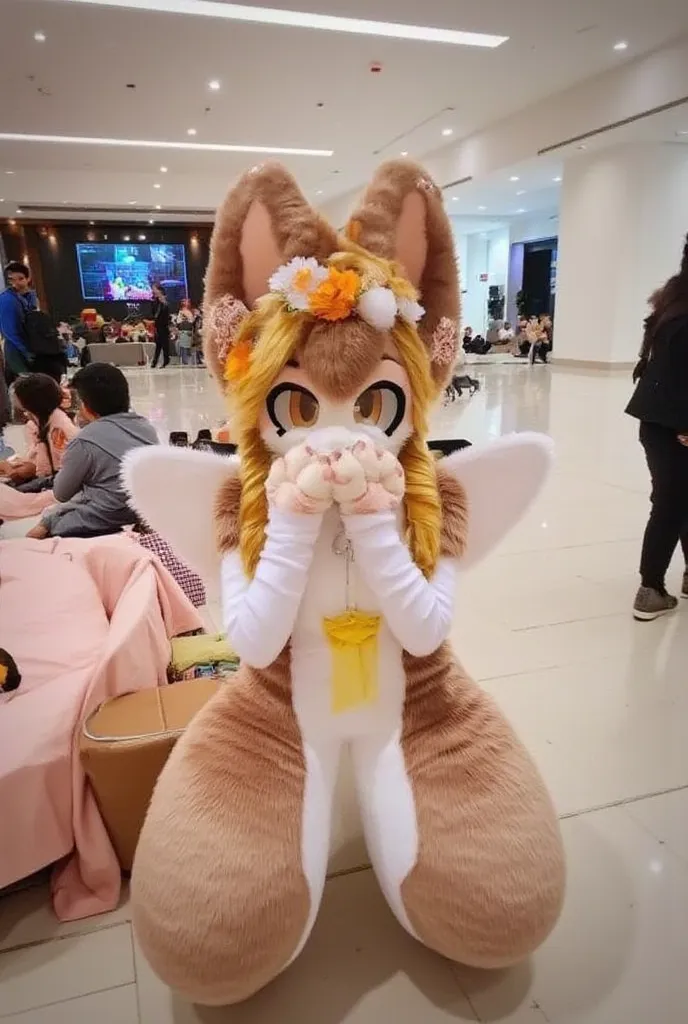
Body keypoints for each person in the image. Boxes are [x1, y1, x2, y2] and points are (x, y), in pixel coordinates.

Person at [626, 234, 688, 620]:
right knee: (671, 503)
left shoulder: (674, 297)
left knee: (676, 500)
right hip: (675, 423)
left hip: (658, 420)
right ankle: (650, 588)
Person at [26, 363, 158, 539]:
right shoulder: (146, 426)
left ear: (86, 406)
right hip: (142, 513)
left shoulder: (84, 441)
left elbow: (61, 493)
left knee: (45, 527)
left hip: (102, 519)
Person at [0, 374, 79, 521]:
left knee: (11, 498)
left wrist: (30, 470)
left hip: (59, 482)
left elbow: (62, 467)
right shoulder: (43, 421)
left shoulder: (58, 428)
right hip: (52, 477)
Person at [0, 262, 36, 382]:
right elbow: (9, 332)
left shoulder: (30, 297)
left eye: (20, 279)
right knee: (25, 384)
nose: (16, 284)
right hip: (15, 350)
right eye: (12, 280)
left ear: (28, 278)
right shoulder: (7, 300)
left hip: (30, 347)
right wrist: (27, 353)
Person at [151, 283, 171, 368]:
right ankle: (155, 362)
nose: (153, 291)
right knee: (158, 344)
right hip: (158, 326)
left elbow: (166, 314)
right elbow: (153, 313)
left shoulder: (164, 302)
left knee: (164, 344)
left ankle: (165, 360)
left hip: (164, 326)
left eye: (154, 289)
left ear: (159, 291)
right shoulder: (155, 301)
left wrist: (163, 303)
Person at [174, 298, 195, 366]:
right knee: (183, 346)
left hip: (189, 331)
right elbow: (178, 321)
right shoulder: (181, 312)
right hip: (182, 331)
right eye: (184, 301)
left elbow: (192, 321)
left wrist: (188, 319)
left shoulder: (191, 311)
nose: (186, 303)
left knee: (188, 346)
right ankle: (184, 360)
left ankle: (189, 360)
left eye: (187, 301)